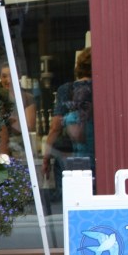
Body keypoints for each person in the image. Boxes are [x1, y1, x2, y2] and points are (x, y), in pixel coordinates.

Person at [43, 47, 94, 181]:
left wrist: (46, 158)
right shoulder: (104, 87)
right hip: (102, 158)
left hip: (75, 160)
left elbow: (55, 128)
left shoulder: (66, 90)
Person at [0, 63, 36, 161]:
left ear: (18, 76)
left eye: (11, 75)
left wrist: (7, 121)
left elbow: (29, 125)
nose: (8, 80)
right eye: (4, 76)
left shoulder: (27, 97)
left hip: (20, 149)